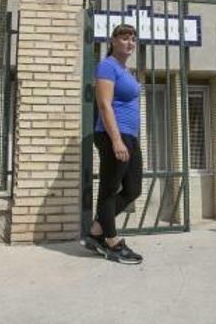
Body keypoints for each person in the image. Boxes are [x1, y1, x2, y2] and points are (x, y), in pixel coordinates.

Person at [83, 24, 144, 264]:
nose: (130, 43)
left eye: (133, 39)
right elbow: (104, 105)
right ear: (113, 41)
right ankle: (111, 240)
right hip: (113, 135)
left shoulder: (124, 70)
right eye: (125, 38)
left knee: (133, 189)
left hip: (129, 135)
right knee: (109, 190)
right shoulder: (107, 66)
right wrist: (116, 140)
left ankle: (97, 230)